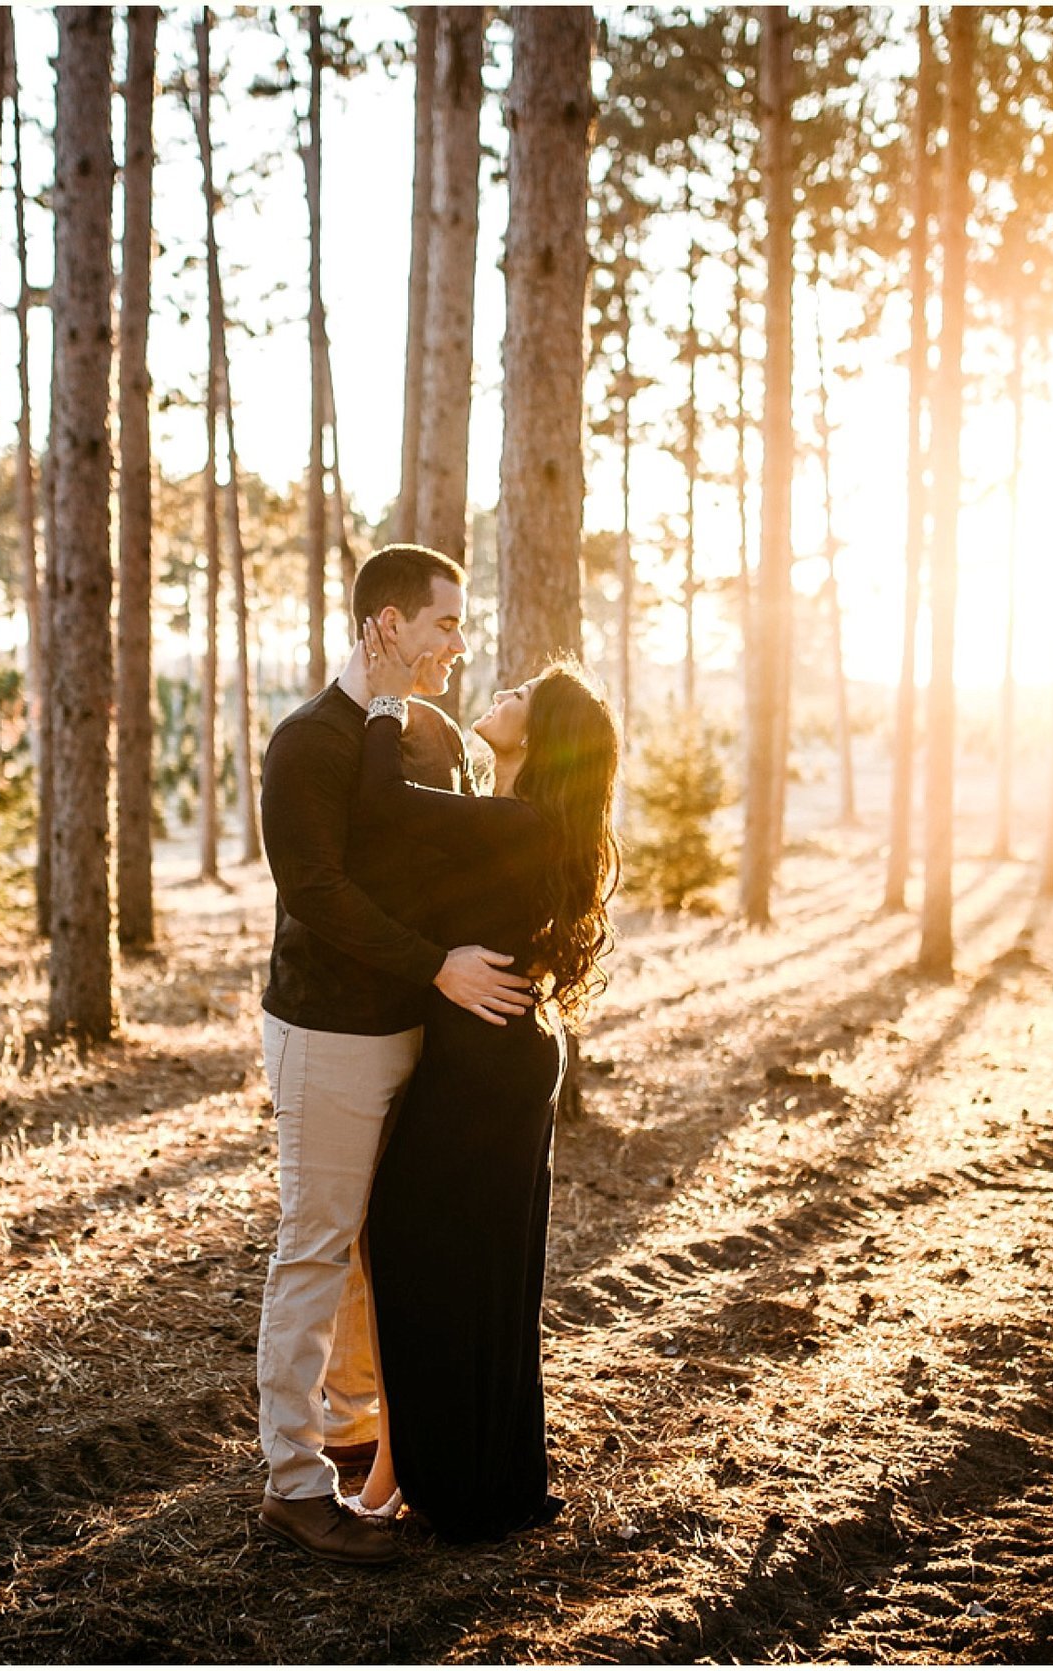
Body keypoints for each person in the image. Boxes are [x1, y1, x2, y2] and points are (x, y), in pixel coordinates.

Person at [252, 544, 537, 1566]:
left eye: (461, 623)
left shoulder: (436, 738)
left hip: (420, 1030)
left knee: (389, 1257)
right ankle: (293, 1482)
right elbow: (317, 897)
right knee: (318, 1247)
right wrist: (436, 969)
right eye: (445, 623)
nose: (459, 643)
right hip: (329, 1034)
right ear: (386, 626)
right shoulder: (308, 744)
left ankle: (363, 1435)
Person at [342, 634, 622, 1542]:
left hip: (490, 1071)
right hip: (494, 1060)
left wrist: (382, 698)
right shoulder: (513, 814)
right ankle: (414, 1467)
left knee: (425, 1246)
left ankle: (427, 1472)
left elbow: (382, 803)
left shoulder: (520, 824)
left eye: (522, 696)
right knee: (464, 1263)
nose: (500, 692)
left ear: (543, 739)